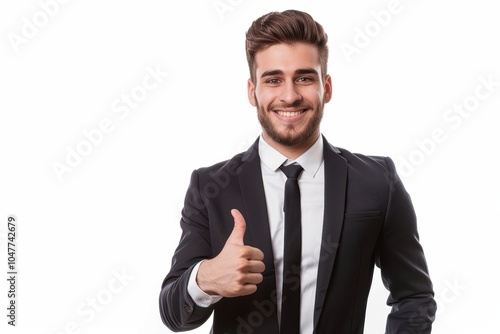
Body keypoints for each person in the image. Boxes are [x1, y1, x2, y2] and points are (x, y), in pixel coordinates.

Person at [159, 9, 436, 334]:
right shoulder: (210, 187)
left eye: (304, 78)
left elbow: (414, 296)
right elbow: (173, 314)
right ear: (253, 91)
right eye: (273, 79)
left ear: (326, 87)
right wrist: (205, 278)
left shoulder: (378, 181)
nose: (289, 95)